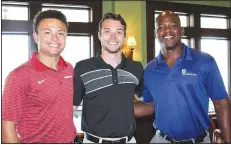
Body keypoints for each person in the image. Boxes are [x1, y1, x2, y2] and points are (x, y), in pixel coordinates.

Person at [134, 10, 231, 143]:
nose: (167, 30)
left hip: (199, 140)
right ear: (156, 33)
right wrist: (115, 107)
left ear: (182, 30)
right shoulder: (149, 70)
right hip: (161, 140)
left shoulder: (204, 61)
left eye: (172, 25)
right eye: (161, 27)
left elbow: (221, 103)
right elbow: (150, 105)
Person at [2, 10, 76, 143]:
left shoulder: (69, 69)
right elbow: (7, 125)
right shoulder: (19, 75)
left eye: (60, 33)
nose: (55, 38)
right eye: (47, 32)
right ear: (36, 37)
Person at [72, 12, 143, 143]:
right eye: (107, 31)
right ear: (99, 35)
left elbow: (144, 98)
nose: (113, 37)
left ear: (125, 36)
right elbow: (71, 108)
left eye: (119, 32)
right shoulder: (82, 67)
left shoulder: (136, 68)